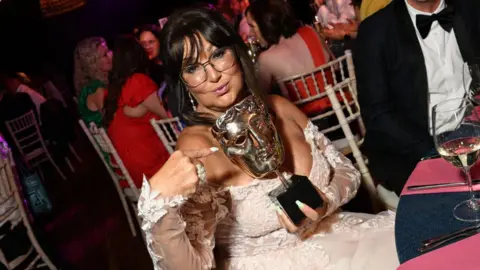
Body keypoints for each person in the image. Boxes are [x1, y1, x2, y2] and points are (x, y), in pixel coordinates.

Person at [139, 7, 398, 270]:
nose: (214, 75)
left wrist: (326, 201)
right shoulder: (197, 148)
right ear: (183, 82)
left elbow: (345, 170)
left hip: (341, 237)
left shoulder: (279, 106)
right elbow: (195, 266)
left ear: (237, 52)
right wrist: (159, 211)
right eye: (193, 67)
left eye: (218, 54)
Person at [355, 0, 480, 194]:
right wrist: (435, 152)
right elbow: (377, 115)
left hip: (472, 131)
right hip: (413, 149)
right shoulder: (375, 31)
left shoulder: (470, 9)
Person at [104, 35, 170, 189]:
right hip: (151, 171)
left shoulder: (116, 87)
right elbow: (167, 117)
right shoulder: (138, 81)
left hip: (130, 174)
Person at [74, 37, 112, 126]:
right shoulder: (97, 89)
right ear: (93, 64)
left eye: (109, 50)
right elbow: (114, 121)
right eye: (105, 55)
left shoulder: (92, 84)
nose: (111, 54)